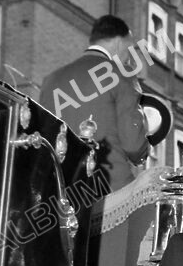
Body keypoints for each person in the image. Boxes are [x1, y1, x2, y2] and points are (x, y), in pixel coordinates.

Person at [40, 15, 150, 193]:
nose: (129, 58)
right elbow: (133, 146)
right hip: (108, 186)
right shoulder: (121, 74)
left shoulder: (51, 81)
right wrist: (145, 143)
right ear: (119, 43)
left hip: (58, 188)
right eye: (130, 49)